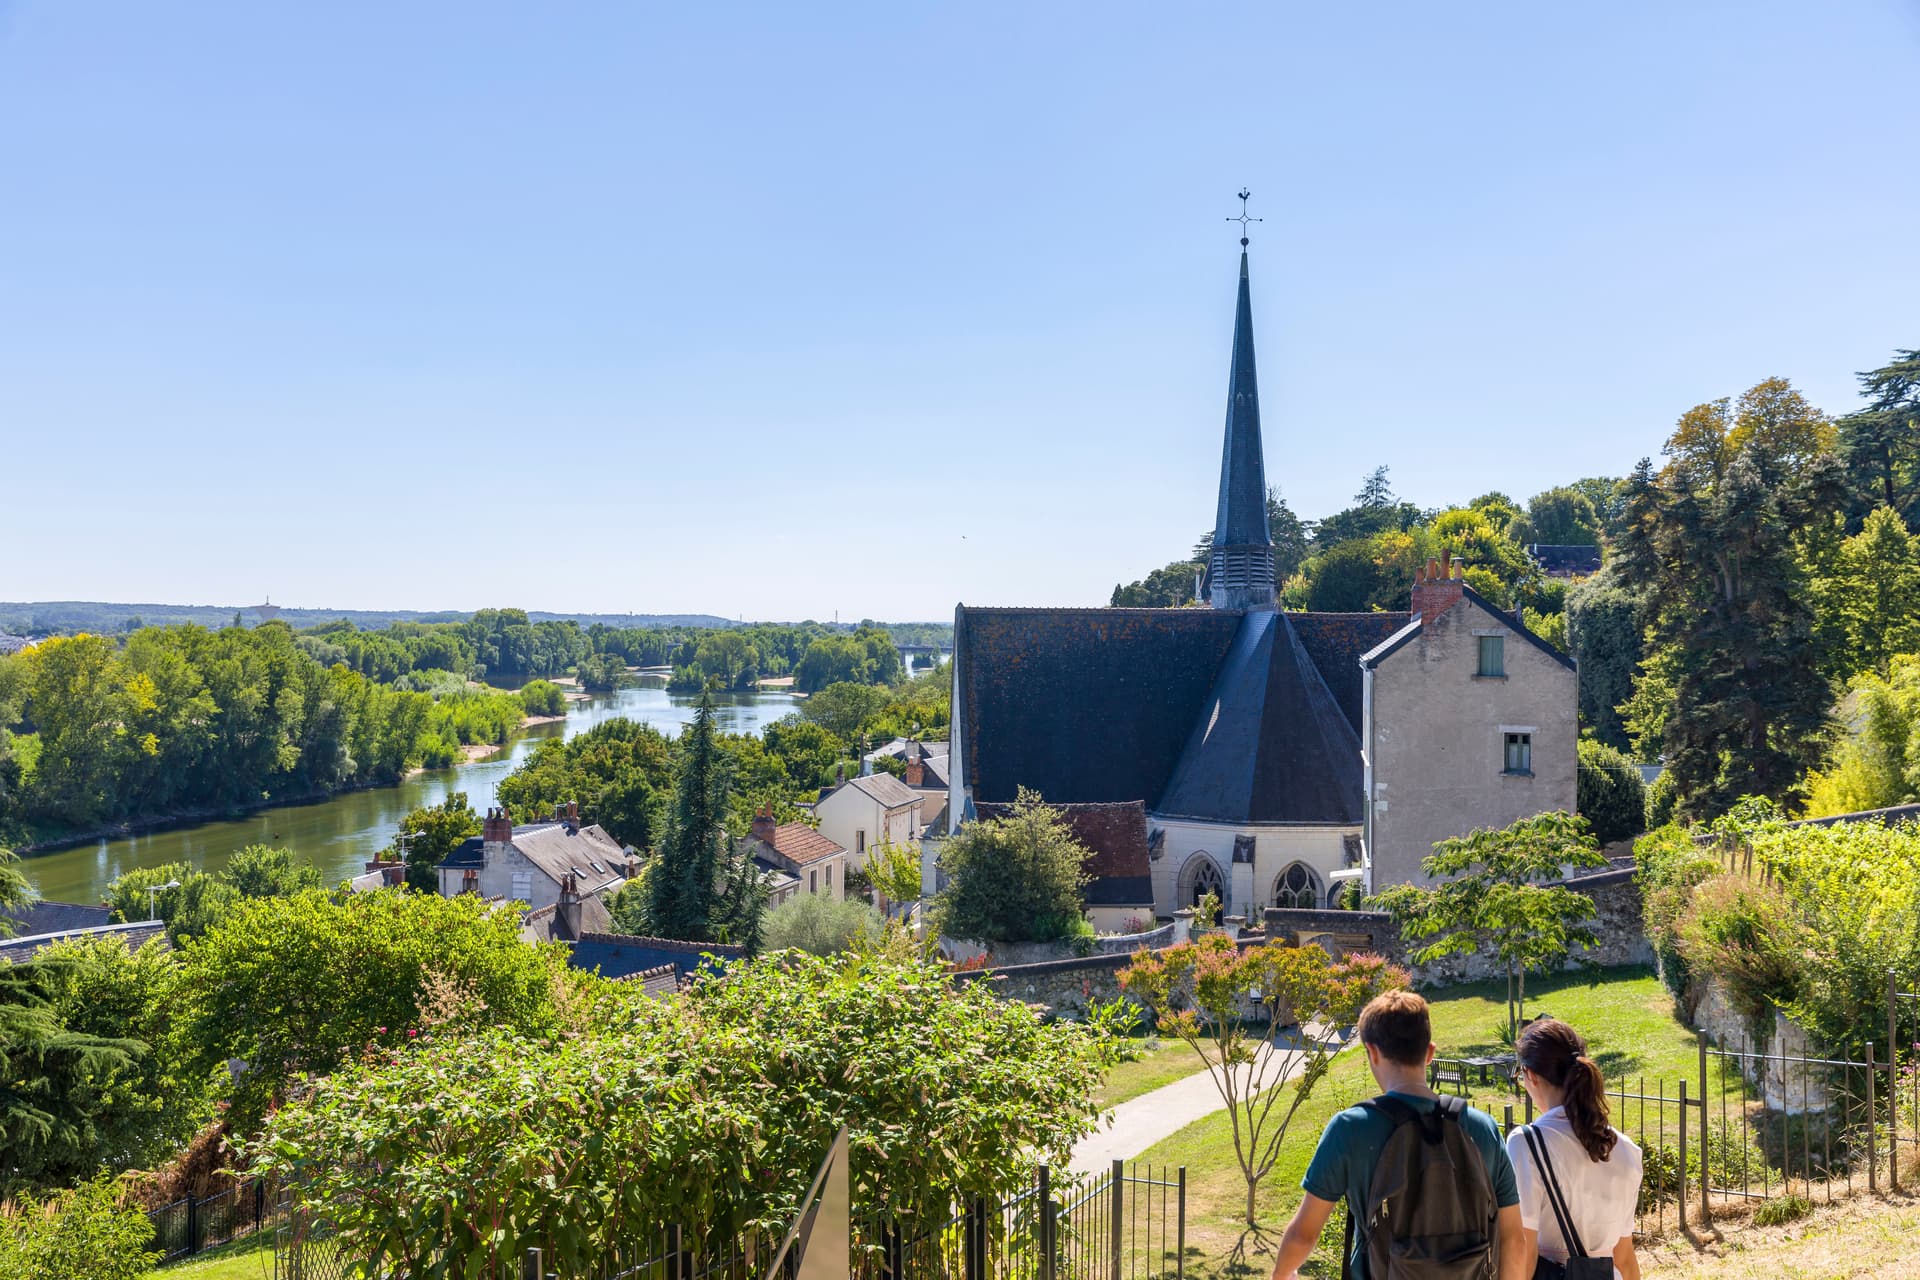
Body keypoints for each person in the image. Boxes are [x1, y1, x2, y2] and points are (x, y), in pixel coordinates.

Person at [1271, 990, 1527, 1280]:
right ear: (1430, 1053)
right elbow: (1514, 1241)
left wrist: (1281, 1273)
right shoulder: (1483, 1127)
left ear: (1372, 1052)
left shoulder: (1350, 1128)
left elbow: (1304, 1234)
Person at [1505, 1019, 1644, 1280]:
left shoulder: (1526, 1143)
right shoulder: (1627, 1151)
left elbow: (1524, 1250)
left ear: (1530, 1075)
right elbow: (1624, 1256)